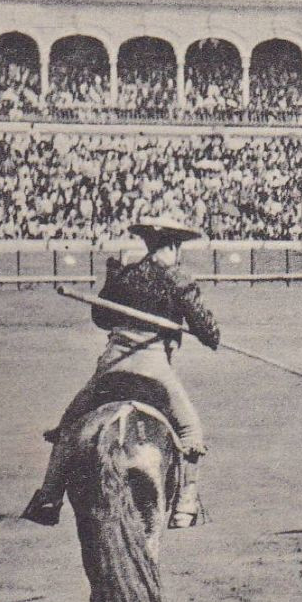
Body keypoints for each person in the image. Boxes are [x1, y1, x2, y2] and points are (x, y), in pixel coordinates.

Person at [21, 216, 221, 529]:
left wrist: (115, 282)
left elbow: (101, 318)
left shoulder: (124, 275)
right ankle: (185, 505)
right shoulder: (179, 278)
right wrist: (209, 334)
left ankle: (49, 497)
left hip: (113, 364)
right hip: (154, 366)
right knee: (190, 429)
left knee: (70, 422)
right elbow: (208, 332)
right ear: (171, 246)